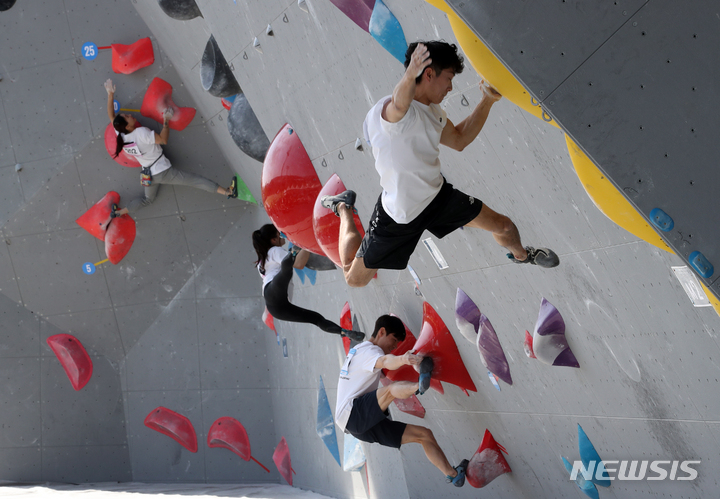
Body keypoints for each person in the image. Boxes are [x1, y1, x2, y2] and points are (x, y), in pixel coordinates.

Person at [321, 41, 559, 288]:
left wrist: (488, 99)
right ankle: (343, 208)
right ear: (428, 74)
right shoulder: (397, 113)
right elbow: (399, 104)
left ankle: (523, 255)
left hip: (437, 199)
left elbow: (459, 139)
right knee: (354, 279)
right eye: (448, 78)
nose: (450, 86)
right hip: (398, 217)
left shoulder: (433, 112)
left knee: (505, 226)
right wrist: (410, 72)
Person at [335, 314, 469, 487]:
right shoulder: (368, 351)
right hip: (352, 414)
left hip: (356, 425)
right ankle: (418, 387)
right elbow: (385, 361)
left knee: (424, 435)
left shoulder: (359, 351)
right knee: (390, 390)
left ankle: (453, 475)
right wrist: (404, 359)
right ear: (381, 332)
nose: (395, 346)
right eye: (394, 339)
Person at [104, 78, 238, 217]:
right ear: (127, 126)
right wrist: (166, 120)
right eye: (127, 117)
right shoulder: (140, 133)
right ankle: (228, 192)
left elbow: (111, 115)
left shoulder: (121, 134)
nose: (130, 115)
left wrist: (110, 94)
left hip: (148, 174)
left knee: (147, 200)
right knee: (195, 180)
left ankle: (119, 212)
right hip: (162, 172)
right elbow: (163, 140)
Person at [252, 224, 365, 341]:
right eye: (279, 234)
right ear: (274, 240)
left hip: (276, 308)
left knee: (315, 319)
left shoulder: (262, 261)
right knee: (287, 270)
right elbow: (299, 264)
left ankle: (344, 332)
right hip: (274, 290)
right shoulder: (275, 250)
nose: (282, 236)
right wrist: (306, 242)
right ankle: (293, 252)